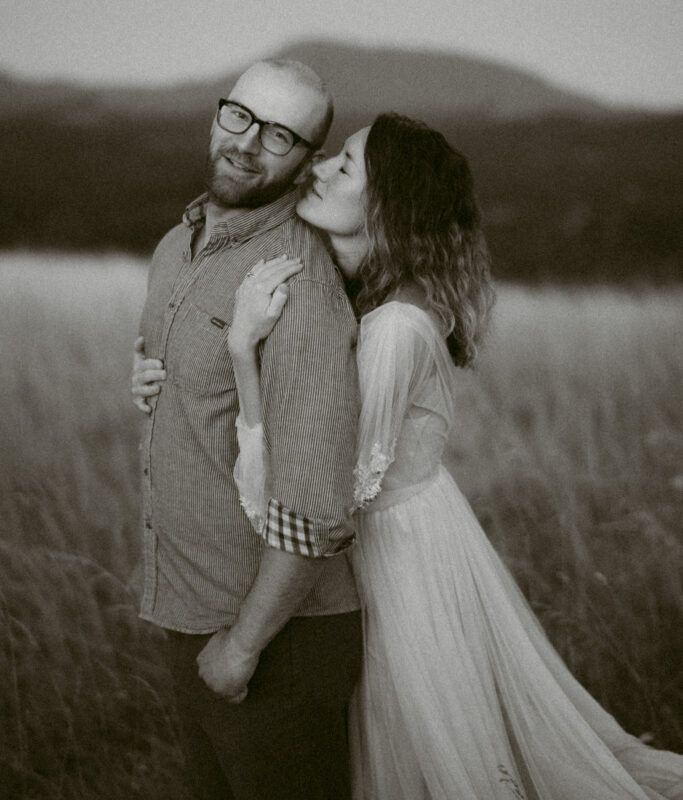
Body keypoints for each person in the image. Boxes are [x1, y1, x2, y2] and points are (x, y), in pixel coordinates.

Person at [141, 111, 683, 800]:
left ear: (384, 205)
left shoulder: (393, 327)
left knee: (431, 752)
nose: (322, 166)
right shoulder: (372, 295)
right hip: (399, 537)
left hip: (398, 560)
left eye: (347, 166)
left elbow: (316, 488)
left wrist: (243, 351)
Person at [131, 58, 363, 800]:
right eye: (241, 117)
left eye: (281, 135)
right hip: (193, 607)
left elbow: (319, 503)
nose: (249, 143)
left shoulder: (296, 278)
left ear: (305, 161)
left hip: (272, 639)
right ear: (217, 113)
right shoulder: (180, 243)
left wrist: (242, 646)